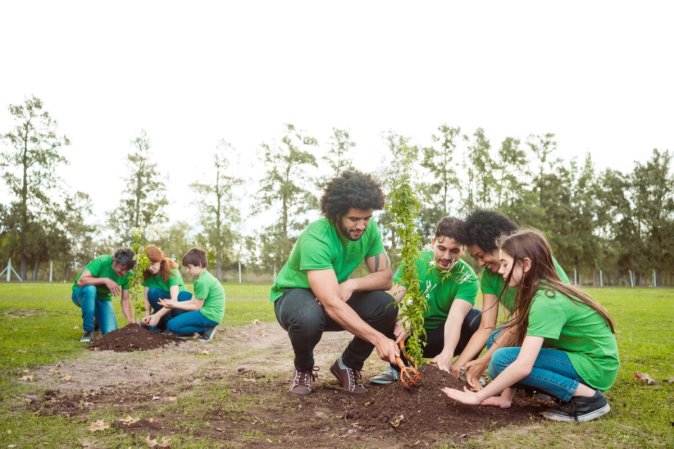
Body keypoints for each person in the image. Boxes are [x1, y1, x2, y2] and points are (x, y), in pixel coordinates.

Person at [442, 229, 619, 422]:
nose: (500, 270)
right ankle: (574, 392)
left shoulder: (547, 301)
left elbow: (523, 366)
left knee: (501, 360)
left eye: (505, 264)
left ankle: (589, 398)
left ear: (526, 264)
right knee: (503, 354)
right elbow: (518, 342)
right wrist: (505, 397)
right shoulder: (539, 292)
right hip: (584, 359)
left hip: (597, 366)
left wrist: (478, 397)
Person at [270, 170, 399, 396]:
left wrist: (351, 284)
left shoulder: (370, 231)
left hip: (334, 294)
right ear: (336, 214)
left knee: (385, 305)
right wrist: (380, 339)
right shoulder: (317, 238)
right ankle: (304, 369)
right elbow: (330, 303)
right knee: (308, 317)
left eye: (367, 218)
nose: (361, 226)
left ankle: (347, 365)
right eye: (354, 219)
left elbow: (386, 278)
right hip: (294, 296)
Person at [452, 210, 570, 389]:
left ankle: (551, 383)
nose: (481, 263)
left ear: (499, 244)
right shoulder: (489, 278)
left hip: (554, 335)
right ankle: (526, 384)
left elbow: (520, 321)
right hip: (526, 329)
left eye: (481, 255)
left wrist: (483, 362)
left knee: (498, 355)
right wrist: (457, 366)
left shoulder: (539, 263)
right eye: (476, 258)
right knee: (495, 339)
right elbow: (486, 326)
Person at [369, 217, 481, 385]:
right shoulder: (415, 261)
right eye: (441, 248)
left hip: (444, 337)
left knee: (476, 319)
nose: (446, 256)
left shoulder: (467, 277)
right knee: (384, 307)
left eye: (454, 251)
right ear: (432, 241)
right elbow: (393, 298)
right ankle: (399, 369)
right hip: (410, 335)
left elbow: (456, 317)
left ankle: (461, 370)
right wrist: (404, 316)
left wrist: (447, 353)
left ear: (463, 249)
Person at [158, 248, 225, 342]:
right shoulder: (200, 277)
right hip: (206, 310)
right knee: (182, 295)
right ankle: (192, 329)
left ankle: (206, 329)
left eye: (189, 267)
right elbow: (193, 300)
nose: (187, 271)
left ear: (200, 265)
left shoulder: (203, 281)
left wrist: (173, 304)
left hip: (210, 315)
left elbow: (196, 306)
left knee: (171, 325)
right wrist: (173, 303)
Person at [71, 248, 136, 343]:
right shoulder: (102, 261)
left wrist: (130, 320)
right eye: (122, 269)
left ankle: (97, 322)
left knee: (111, 333)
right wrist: (105, 280)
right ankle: (88, 331)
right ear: (114, 261)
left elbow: (125, 300)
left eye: (127, 270)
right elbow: (81, 281)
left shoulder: (128, 275)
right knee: (90, 289)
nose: (124, 273)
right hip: (82, 294)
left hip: (102, 299)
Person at [140, 245, 192, 331]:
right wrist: (147, 315)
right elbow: (146, 298)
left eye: (153, 264)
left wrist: (157, 315)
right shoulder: (148, 274)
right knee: (149, 328)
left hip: (178, 306)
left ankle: (169, 325)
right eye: (147, 265)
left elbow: (174, 300)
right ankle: (164, 324)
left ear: (160, 260)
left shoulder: (172, 271)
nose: (150, 268)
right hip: (162, 309)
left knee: (154, 292)